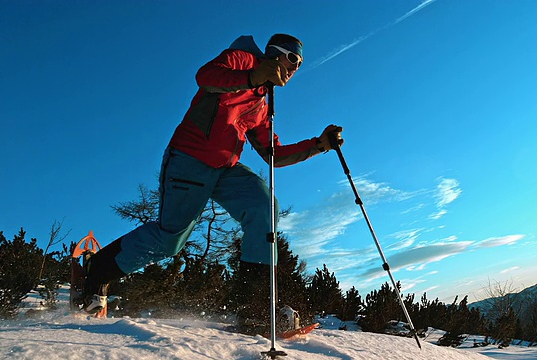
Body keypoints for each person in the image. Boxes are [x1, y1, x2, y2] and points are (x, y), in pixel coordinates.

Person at [81, 34, 343, 332]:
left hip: (225, 168)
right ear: (275, 55)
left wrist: (319, 144)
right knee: (171, 240)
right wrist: (253, 75)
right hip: (190, 159)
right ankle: (98, 270)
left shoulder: (262, 103)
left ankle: (254, 310)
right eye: (293, 60)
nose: (296, 69)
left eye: (300, 64)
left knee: (264, 205)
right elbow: (205, 77)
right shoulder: (242, 60)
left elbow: (273, 154)